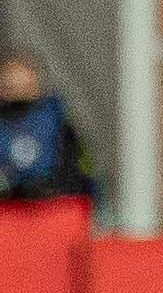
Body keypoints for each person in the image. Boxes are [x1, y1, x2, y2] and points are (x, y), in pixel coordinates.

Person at [0, 49, 93, 202]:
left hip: (52, 209)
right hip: (8, 212)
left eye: (22, 79)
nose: (15, 84)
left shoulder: (55, 119)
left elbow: (80, 173)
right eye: (8, 79)